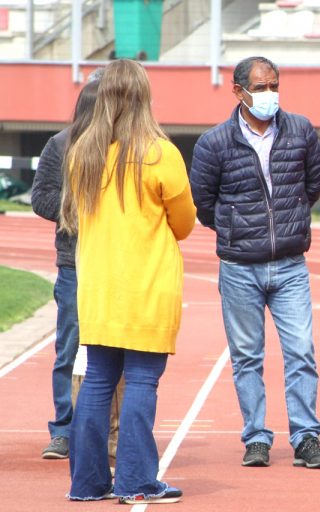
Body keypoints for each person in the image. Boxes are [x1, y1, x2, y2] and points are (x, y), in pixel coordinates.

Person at [60, 59, 196, 504]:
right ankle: (136, 480)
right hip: (147, 286)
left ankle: (86, 482)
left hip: (98, 288)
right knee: (141, 382)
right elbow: (184, 222)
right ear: (144, 97)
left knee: (98, 381)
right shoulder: (160, 152)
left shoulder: (82, 152)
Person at [190, 56, 320, 469]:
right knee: (247, 357)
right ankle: (256, 437)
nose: (270, 94)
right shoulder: (214, 143)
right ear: (238, 92)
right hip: (238, 268)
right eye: (261, 87)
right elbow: (204, 204)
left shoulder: (301, 129)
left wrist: (287, 224)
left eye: (274, 85)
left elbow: (313, 184)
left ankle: (306, 437)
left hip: (289, 264)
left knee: (301, 351)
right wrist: (238, 232)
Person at [32, 72, 125, 463]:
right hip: (75, 264)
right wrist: (78, 213)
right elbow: (41, 198)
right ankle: (64, 430)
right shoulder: (60, 144)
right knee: (70, 347)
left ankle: (112, 432)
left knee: (118, 348)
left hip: (120, 265)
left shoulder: (125, 147)